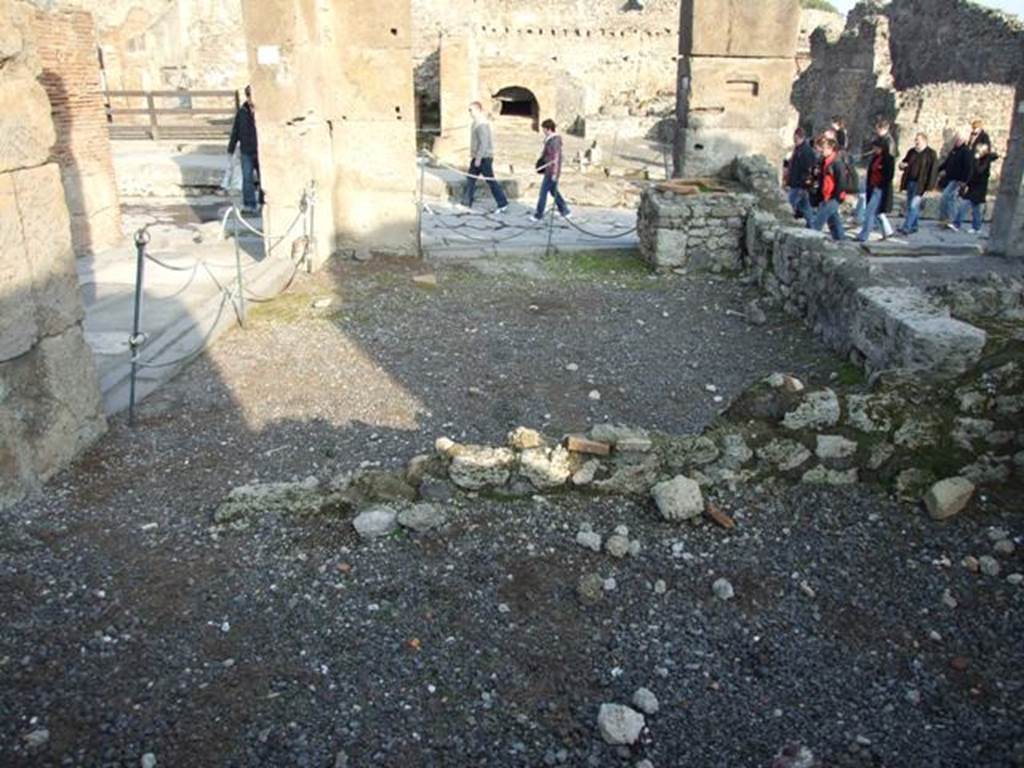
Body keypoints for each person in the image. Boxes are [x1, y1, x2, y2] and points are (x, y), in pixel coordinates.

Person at [461, 101, 509, 213]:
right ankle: (466, 202)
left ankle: (502, 203)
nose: (470, 112)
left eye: (471, 110)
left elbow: (484, 142)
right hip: (477, 157)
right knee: (470, 179)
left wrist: (478, 158)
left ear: (477, 110)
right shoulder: (476, 122)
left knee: (491, 181)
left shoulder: (482, 123)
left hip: (484, 158)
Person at [950, 142, 998, 234]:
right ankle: (976, 227)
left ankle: (957, 224)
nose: (976, 152)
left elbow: (979, 171)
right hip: (974, 186)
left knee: (965, 205)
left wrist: (977, 160)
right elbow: (972, 173)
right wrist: (966, 183)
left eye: (978, 151)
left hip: (979, 188)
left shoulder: (985, 160)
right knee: (976, 209)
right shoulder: (978, 160)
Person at [855, 119, 896, 224]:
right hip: (874, 180)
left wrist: (881, 182)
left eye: (878, 129)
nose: (877, 131)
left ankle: (867, 230)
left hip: (880, 183)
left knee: (873, 209)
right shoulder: (881, 140)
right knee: (874, 209)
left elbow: (889, 166)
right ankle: (885, 230)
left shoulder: (888, 142)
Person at [530, 119, 571, 222]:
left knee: (543, 193)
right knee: (554, 192)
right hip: (549, 170)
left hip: (551, 171)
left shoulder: (554, 141)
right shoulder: (550, 140)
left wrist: (554, 173)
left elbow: (556, 158)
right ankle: (565, 211)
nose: (543, 131)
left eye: (544, 129)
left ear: (548, 129)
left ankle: (539, 214)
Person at [897, 132, 938, 235]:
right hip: (910, 182)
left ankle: (906, 227)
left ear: (924, 141)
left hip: (921, 184)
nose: (916, 142)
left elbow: (933, 171)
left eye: (917, 140)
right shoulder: (912, 152)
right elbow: (904, 162)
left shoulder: (931, 154)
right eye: (915, 140)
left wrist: (930, 186)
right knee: (910, 205)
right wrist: (902, 165)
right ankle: (914, 226)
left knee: (913, 206)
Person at [228, 85, 259, 213]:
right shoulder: (242, 112)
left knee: (263, 178)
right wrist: (231, 146)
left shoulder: (261, 111)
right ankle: (249, 204)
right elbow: (236, 130)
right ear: (248, 97)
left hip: (260, 150)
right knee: (247, 179)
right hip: (246, 150)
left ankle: (263, 202)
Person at [857, 137, 896, 242]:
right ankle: (887, 232)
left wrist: (880, 185)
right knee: (877, 212)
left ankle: (864, 235)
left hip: (880, 189)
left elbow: (889, 175)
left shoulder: (889, 159)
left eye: (876, 148)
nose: (874, 150)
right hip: (872, 187)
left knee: (869, 211)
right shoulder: (875, 158)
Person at [808, 136, 846, 241]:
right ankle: (841, 241)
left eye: (823, 149)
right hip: (826, 195)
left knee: (818, 221)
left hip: (833, 196)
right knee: (834, 222)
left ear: (830, 149)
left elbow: (841, 182)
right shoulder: (825, 161)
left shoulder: (837, 163)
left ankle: (810, 240)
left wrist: (836, 197)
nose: (821, 151)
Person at [936, 132, 973, 224]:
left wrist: (964, 180)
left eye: (959, 139)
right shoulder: (954, 150)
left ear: (964, 140)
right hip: (950, 178)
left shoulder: (966, 151)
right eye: (956, 139)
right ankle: (946, 219)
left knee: (947, 197)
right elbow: (947, 162)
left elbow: (968, 167)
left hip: (958, 179)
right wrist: (937, 169)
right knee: (949, 199)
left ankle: (951, 220)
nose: (957, 141)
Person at [784, 127, 816, 226]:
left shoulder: (805, 150)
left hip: (799, 184)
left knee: (789, 206)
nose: (794, 140)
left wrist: (804, 183)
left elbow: (808, 168)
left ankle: (786, 224)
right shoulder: (799, 149)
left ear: (799, 137)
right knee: (806, 208)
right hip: (796, 182)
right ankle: (812, 226)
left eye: (795, 138)